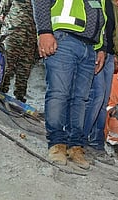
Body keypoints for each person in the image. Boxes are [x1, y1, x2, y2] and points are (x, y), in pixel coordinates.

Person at [33, 0, 107, 169]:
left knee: (80, 100)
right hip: (65, 39)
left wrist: (102, 47)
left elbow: (102, 19)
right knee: (59, 93)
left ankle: (75, 146)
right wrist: (44, 31)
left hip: (89, 48)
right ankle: (57, 144)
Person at [84, 0, 118, 154]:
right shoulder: (98, 2)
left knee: (103, 101)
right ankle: (81, 138)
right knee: (96, 96)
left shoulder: (114, 9)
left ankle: (96, 140)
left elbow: (114, 33)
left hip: (109, 55)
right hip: (96, 51)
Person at [0, 0, 36, 102]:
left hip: (30, 36)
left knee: (25, 67)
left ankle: (20, 96)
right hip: (12, 31)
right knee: (7, 64)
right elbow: (3, 7)